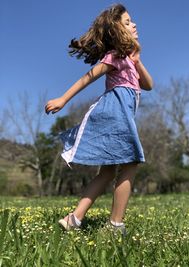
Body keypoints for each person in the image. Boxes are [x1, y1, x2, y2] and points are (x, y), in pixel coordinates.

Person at [45, 4, 153, 234]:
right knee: (131, 162)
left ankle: (74, 218)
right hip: (114, 112)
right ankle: (115, 225)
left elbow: (149, 85)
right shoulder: (115, 56)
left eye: (132, 21)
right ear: (116, 31)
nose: (133, 24)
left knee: (107, 171)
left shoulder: (129, 60)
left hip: (119, 114)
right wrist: (63, 99)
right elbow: (89, 77)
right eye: (127, 22)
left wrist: (138, 61)